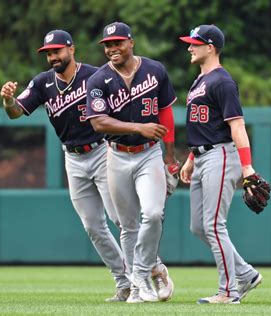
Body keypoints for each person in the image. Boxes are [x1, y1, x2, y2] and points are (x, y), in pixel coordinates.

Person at [0, 29, 131, 302]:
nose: (52, 57)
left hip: (102, 152)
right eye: (48, 53)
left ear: (71, 49)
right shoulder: (42, 83)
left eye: (57, 51)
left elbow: (122, 105)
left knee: (121, 219)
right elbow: (15, 113)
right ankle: (124, 283)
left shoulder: (96, 75)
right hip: (73, 158)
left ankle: (149, 271)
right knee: (93, 226)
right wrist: (8, 100)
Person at [85, 22, 177, 303]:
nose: (112, 49)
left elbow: (166, 114)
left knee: (152, 213)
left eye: (117, 43)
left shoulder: (155, 70)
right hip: (116, 154)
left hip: (150, 153)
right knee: (127, 225)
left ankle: (140, 275)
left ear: (131, 43)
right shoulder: (98, 80)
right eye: (107, 45)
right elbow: (99, 122)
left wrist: (170, 157)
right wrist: (139, 127)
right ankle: (142, 283)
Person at [179, 24, 263, 304]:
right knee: (198, 226)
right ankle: (246, 274)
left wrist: (247, 168)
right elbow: (204, 125)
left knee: (214, 225)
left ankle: (229, 292)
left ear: (210, 47)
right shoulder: (198, 81)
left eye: (195, 43)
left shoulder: (222, 81)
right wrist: (191, 159)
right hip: (202, 156)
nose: (190, 47)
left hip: (221, 155)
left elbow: (237, 127)